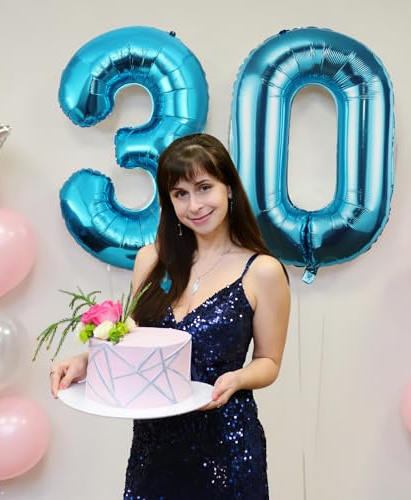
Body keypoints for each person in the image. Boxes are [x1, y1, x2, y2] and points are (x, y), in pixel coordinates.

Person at [50, 133, 290, 499]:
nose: (194, 205)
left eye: (204, 187)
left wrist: (238, 379)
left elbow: (269, 361)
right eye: (180, 194)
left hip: (226, 442)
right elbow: (133, 338)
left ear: (228, 188)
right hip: (154, 447)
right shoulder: (152, 258)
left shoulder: (263, 271)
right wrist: (89, 360)